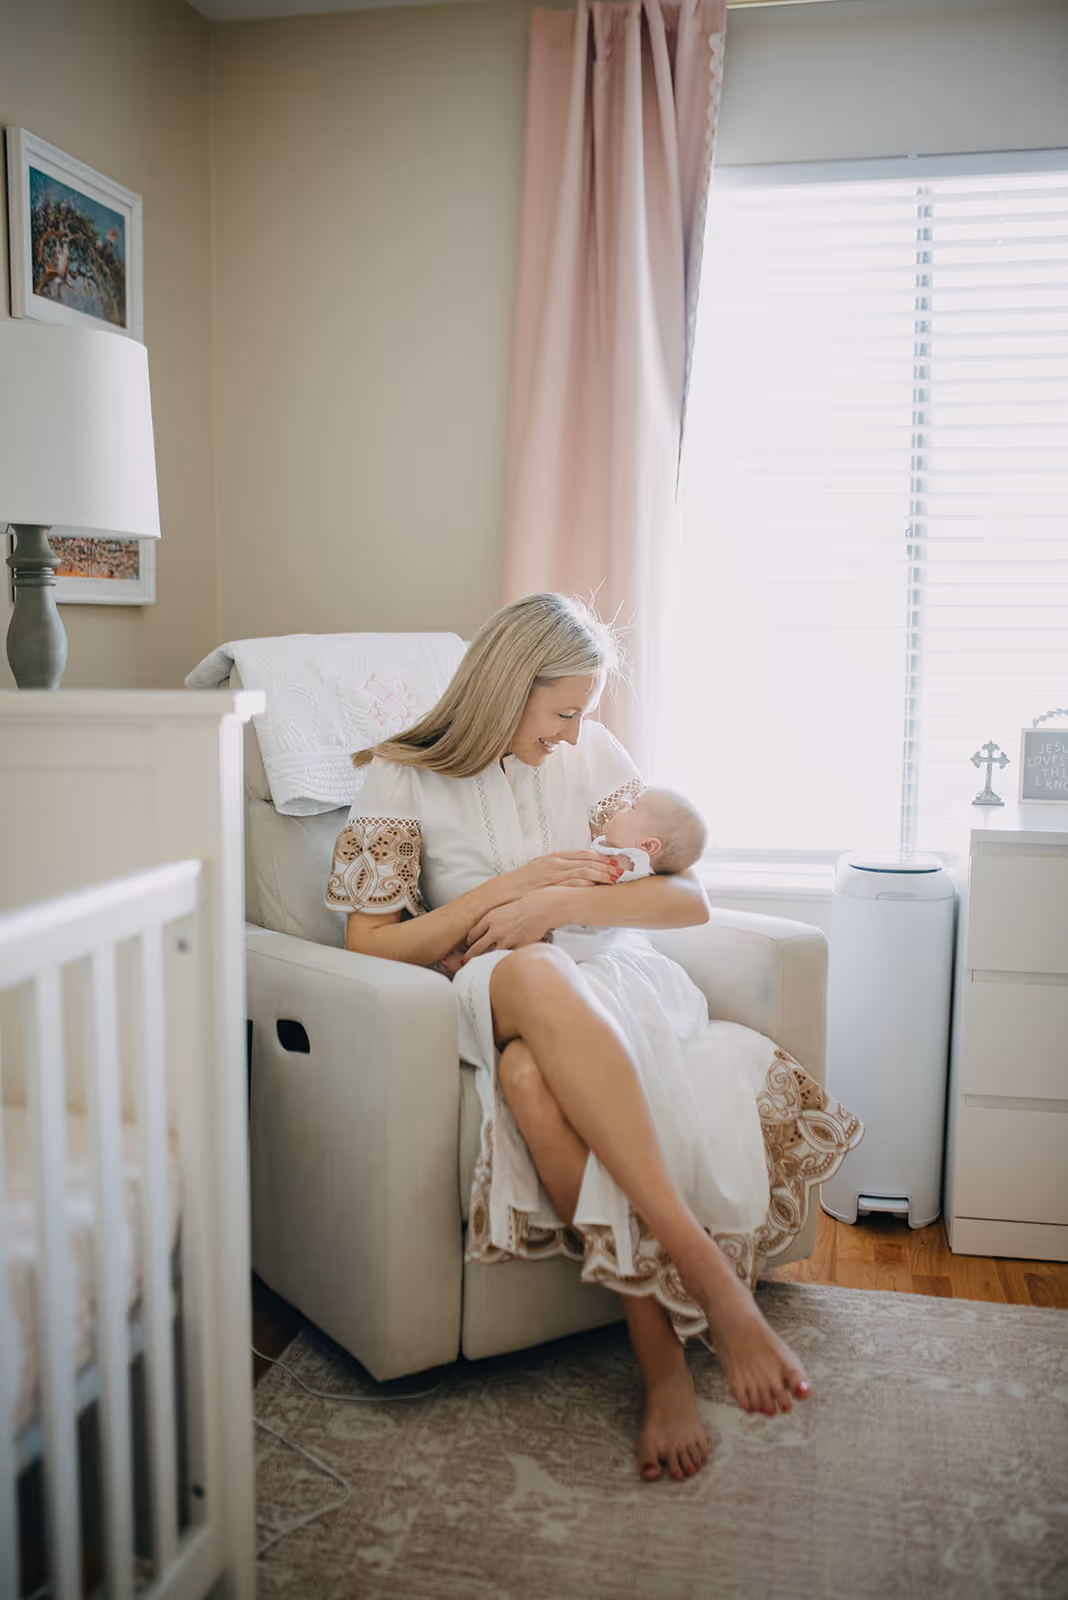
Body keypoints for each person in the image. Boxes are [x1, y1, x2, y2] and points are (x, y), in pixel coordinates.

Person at [326, 594, 862, 1483]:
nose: (575, 735)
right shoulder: (401, 775)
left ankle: (660, 1362)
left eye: (584, 715)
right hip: (496, 983)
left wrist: (562, 899)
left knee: (531, 1085)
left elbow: (686, 897)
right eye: (564, 713)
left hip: (612, 976)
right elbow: (369, 942)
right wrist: (513, 892)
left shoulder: (593, 754)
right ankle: (708, 1277)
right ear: (509, 687)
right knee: (536, 970)